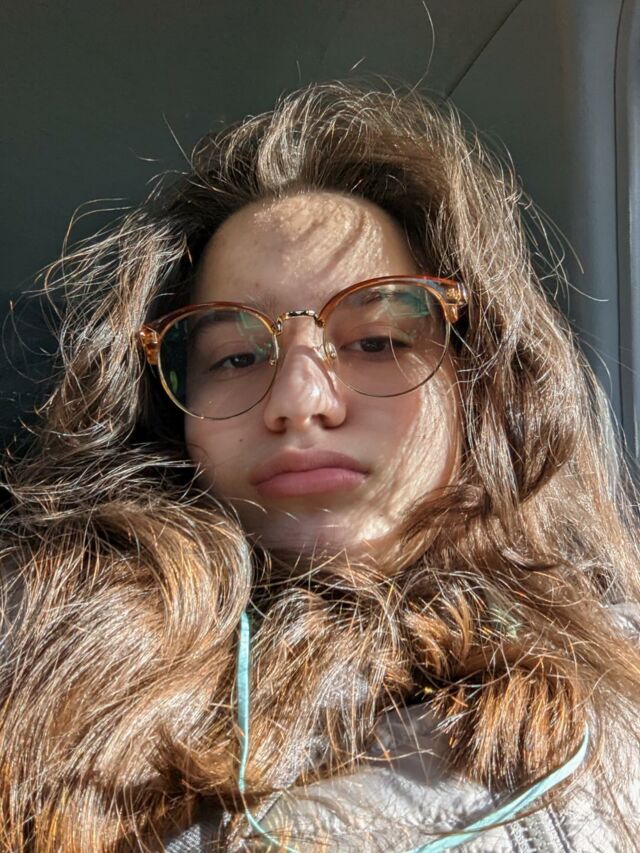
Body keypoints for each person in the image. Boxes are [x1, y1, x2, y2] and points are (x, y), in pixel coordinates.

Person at [0, 82, 639, 852]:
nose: (300, 402)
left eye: (377, 342)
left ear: (477, 378)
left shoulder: (622, 658)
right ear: (175, 415)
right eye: (236, 356)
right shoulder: (42, 644)